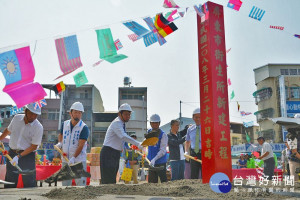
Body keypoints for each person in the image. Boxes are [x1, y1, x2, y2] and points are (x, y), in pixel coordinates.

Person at [0, 103, 43, 188]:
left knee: (29, 181)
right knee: (10, 180)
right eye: (31, 113)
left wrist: (19, 156)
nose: (33, 117)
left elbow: (34, 146)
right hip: (12, 153)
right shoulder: (16, 118)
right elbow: (8, 130)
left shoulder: (38, 127)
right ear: (25, 111)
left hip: (27, 155)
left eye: (36, 115)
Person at [100, 103, 143, 184]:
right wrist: (138, 144)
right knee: (107, 181)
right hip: (108, 153)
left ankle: (110, 196)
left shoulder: (122, 124)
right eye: (126, 114)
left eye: (129, 114)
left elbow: (122, 140)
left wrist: (129, 147)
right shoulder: (117, 123)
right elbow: (123, 136)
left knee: (112, 180)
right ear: (119, 114)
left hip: (114, 153)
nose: (128, 116)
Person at [55, 102, 90, 186]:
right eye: (75, 112)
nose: (77, 114)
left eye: (79, 113)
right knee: (65, 184)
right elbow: (60, 135)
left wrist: (74, 157)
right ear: (70, 113)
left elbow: (81, 145)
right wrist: (60, 143)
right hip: (65, 159)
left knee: (80, 184)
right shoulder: (65, 124)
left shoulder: (84, 128)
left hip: (78, 161)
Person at [147, 114, 168, 183]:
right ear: (150, 123)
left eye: (156, 123)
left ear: (159, 123)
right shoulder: (148, 132)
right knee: (152, 182)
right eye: (153, 123)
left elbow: (162, 150)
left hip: (160, 162)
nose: (154, 125)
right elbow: (146, 144)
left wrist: (155, 159)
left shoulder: (163, 135)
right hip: (151, 162)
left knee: (163, 181)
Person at [185, 108, 202, 179]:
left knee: (205, 174)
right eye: (196, 117)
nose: (198, 119)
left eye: (200, 117)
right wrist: (186, 151)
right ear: (193, 118)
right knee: (194, 174)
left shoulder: (207, 128)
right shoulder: (190, 129)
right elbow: (187, 141)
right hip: (194, 154)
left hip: (205, 153)